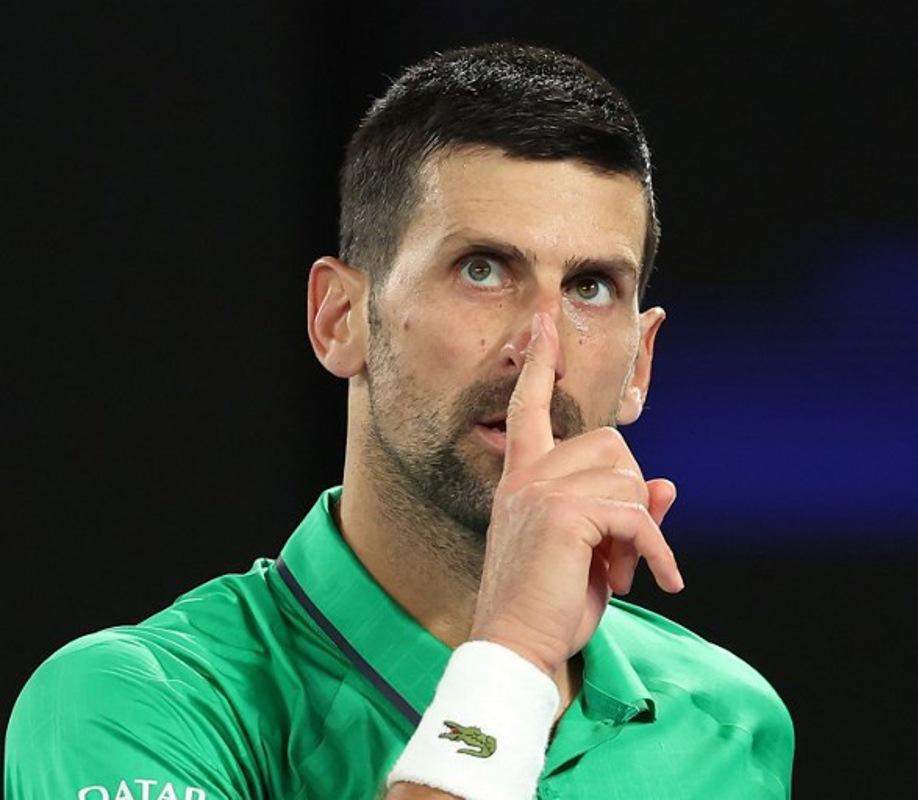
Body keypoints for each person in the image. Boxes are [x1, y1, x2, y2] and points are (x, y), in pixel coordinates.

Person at [5, 43, 794, 799]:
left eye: (590, 287)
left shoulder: (730, 725)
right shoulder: (130, 707)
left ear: (641, 365)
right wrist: (514, 651)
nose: (539, 348)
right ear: (340, 318)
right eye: (482, 270)